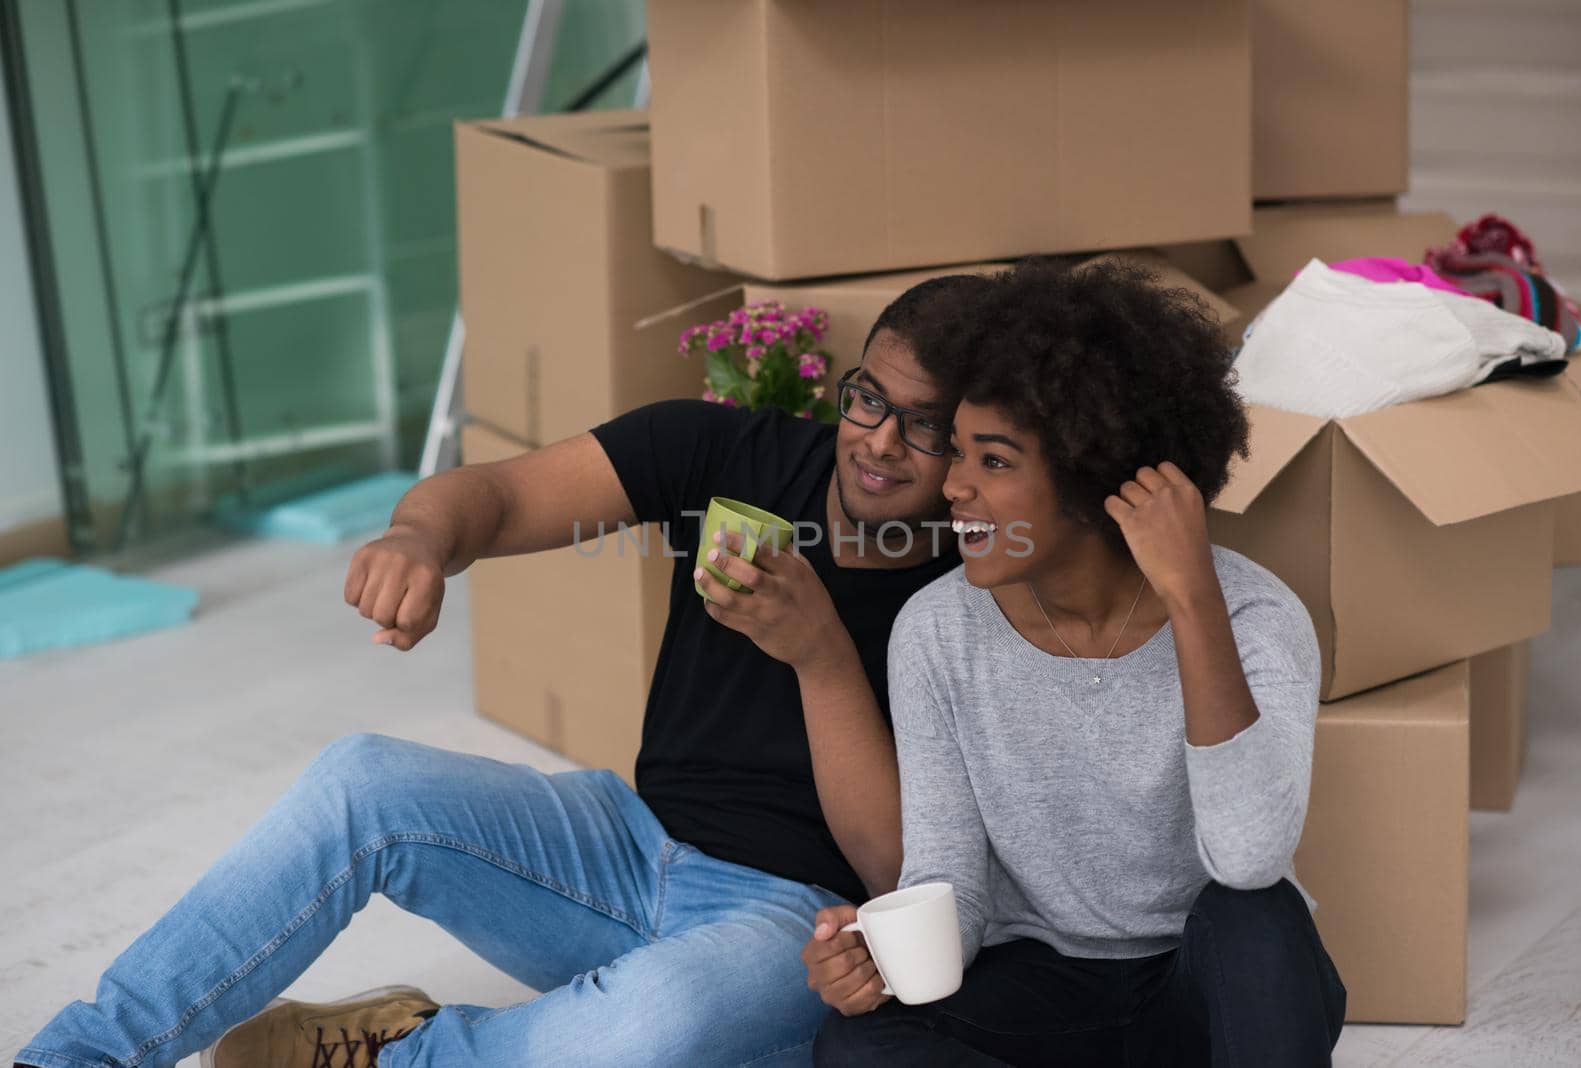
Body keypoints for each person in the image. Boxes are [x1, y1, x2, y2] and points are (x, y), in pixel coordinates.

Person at [15, 275, 989, 1068]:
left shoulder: (977, 581)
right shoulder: (731, 453)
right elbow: (492, 494)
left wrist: (818, 652)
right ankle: (79, 1058)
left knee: (662, 1018)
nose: (879, 444)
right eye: (868, 399)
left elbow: (895, 874)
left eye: (925, 425)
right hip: (626, 840)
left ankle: (396, 1053)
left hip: (792, 922)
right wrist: (417, 541)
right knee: (365, 781)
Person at [803, 260, 1346, 1066]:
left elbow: (1247, 858)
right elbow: (952, 876)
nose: (952, 486)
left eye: (992, 461)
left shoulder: (1255, 616)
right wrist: (881, 955)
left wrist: (1192, 598)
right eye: (957, 453)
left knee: (1258, 920)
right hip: (1039, 992)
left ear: (1096, 478)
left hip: (1206, 990)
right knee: (857, 1049)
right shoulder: (936, 630)